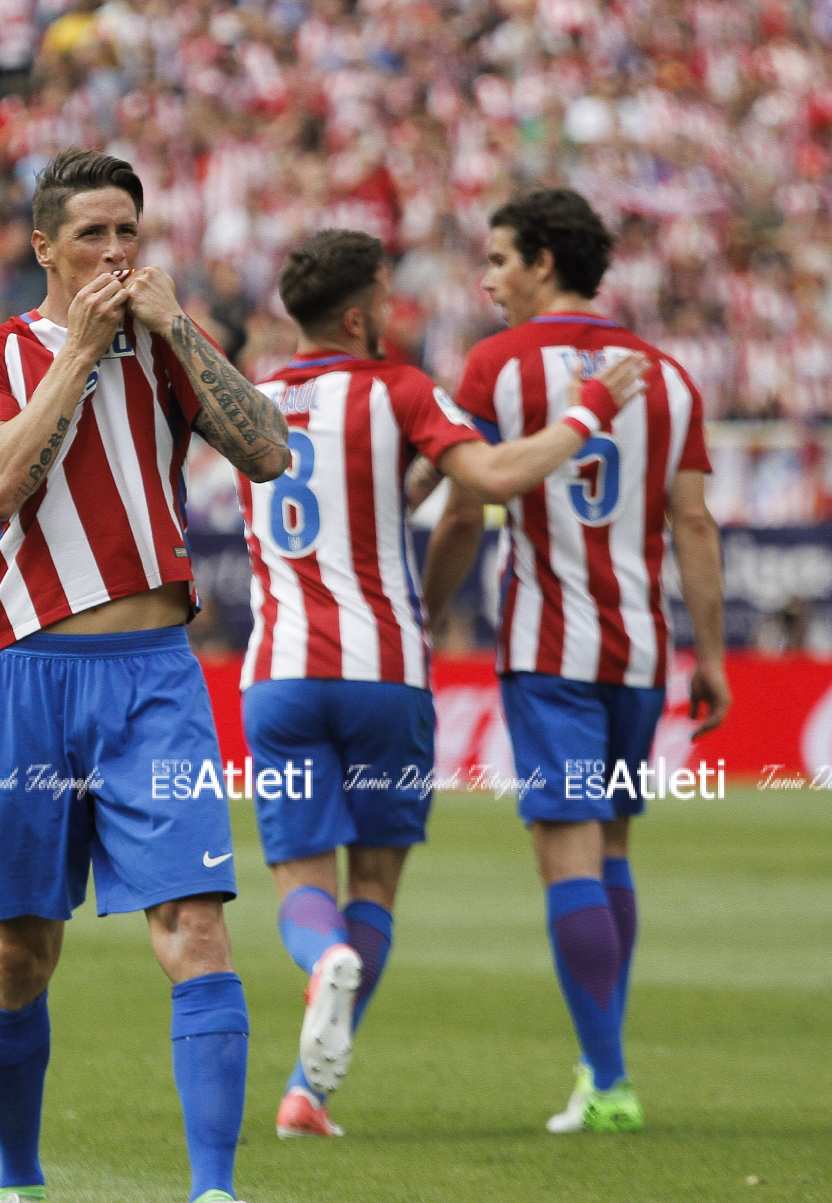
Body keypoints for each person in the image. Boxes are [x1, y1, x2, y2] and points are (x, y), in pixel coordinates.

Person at [239, 229, 651, 1140]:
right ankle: (309, 1082)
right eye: (386, 297)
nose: (395, 312)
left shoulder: (252, 399)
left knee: (300, 878)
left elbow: (365, 489)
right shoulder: (403, 391)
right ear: (358, 312)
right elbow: (495, 476)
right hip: (386, 673)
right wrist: (584, 413)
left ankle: (318, 1005)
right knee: (375, 882)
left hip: (280, 675)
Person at [0, 148, 289, 1203]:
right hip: (31, 680)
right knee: (21, 954)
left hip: (154, 680)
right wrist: (82, 350)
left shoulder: (166, 344)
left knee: (197, 929)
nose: (114, 252)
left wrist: (177, 327)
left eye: (128, 232)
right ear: (43, 246)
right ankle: (19, 1179)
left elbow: (269, 450)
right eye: (91, 233)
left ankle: (213, 1192)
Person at [423, 188, 731, 1136]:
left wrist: (429, 619)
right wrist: (711, 656)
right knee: (615, 852)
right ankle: (606, 1061)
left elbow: (469, 506)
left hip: (547, 646)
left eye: (501, 259)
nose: (489, 279)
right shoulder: (668, 375)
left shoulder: (498, 365)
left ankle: (608, 1076)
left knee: (567, 856)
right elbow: (691, 521)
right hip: (641, 651)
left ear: (546, 264)